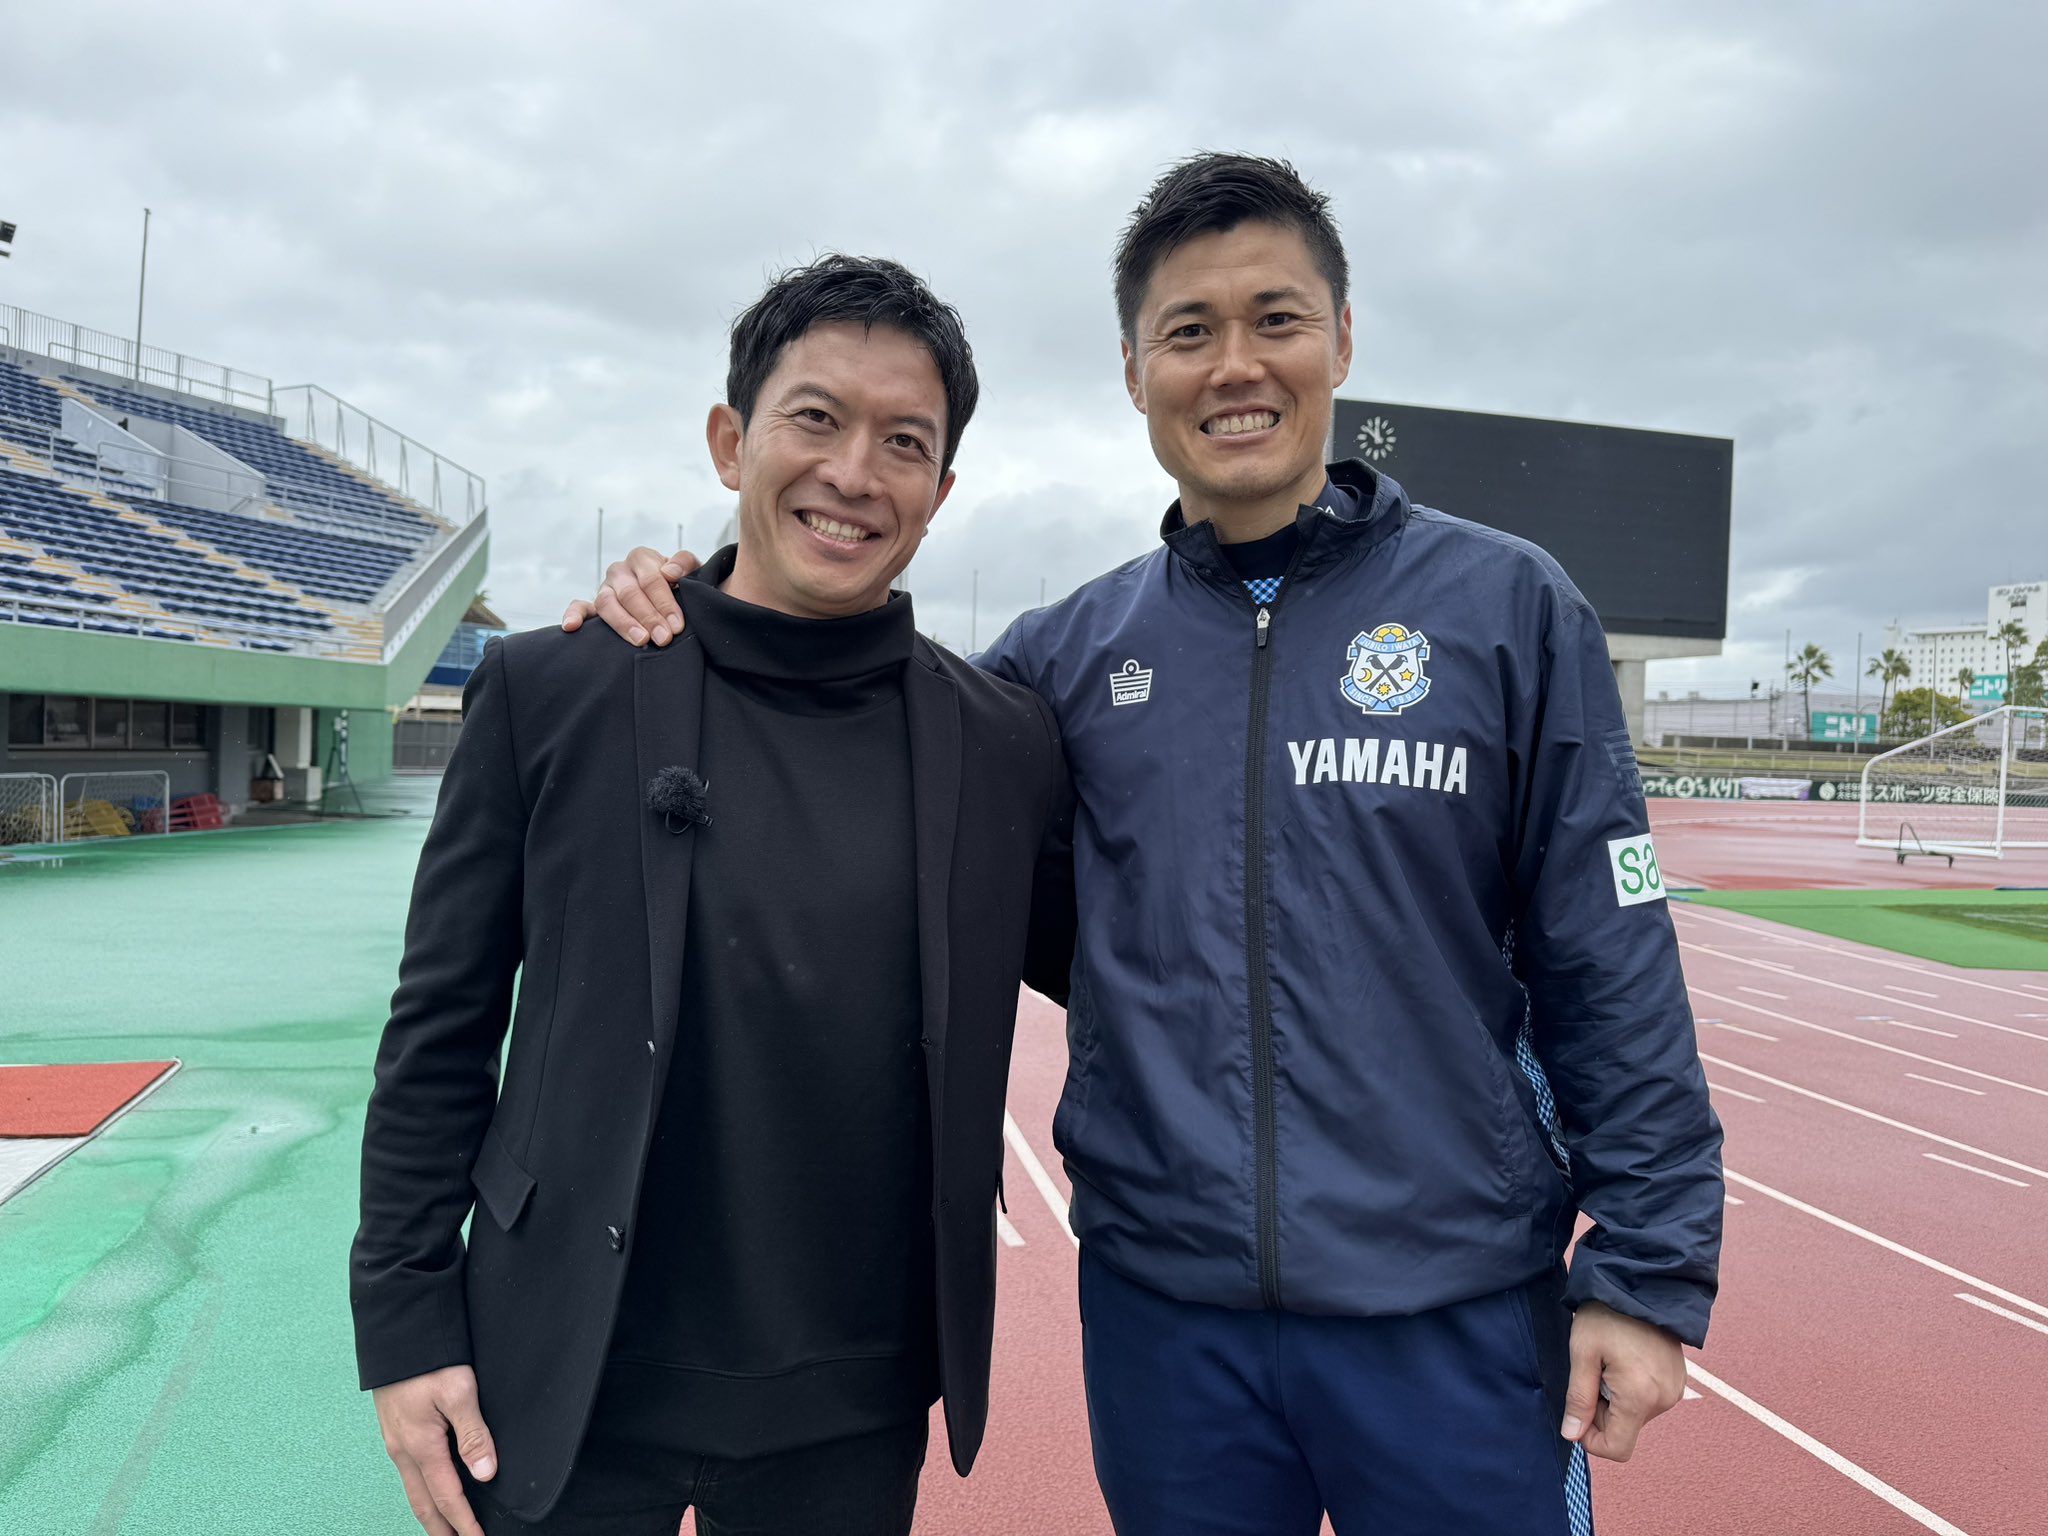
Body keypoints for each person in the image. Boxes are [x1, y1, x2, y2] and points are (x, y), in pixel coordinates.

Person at [569, 153, 1723, 1536]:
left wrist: (1647, 1271)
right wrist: (691, 596)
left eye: (1275, 319)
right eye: (1188, 331)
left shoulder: (1509, 610)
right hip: (1167, 1325)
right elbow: (830, 711)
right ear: (1133, 371)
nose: (1235, 365)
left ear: (1341, 340)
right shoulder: (1058, 661)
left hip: (1454, 1312)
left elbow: (1611, 952)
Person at [353, 254, 1074, 1536]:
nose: (853, 472)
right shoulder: (553, 690)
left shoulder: (1003, 742)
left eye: (903, 442)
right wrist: (405, 1325)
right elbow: (440, 1029)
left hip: (850, 1412)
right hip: (560, 1377)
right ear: (730, 440)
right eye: (815, 418)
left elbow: (1136, 969)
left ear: (941, 490)